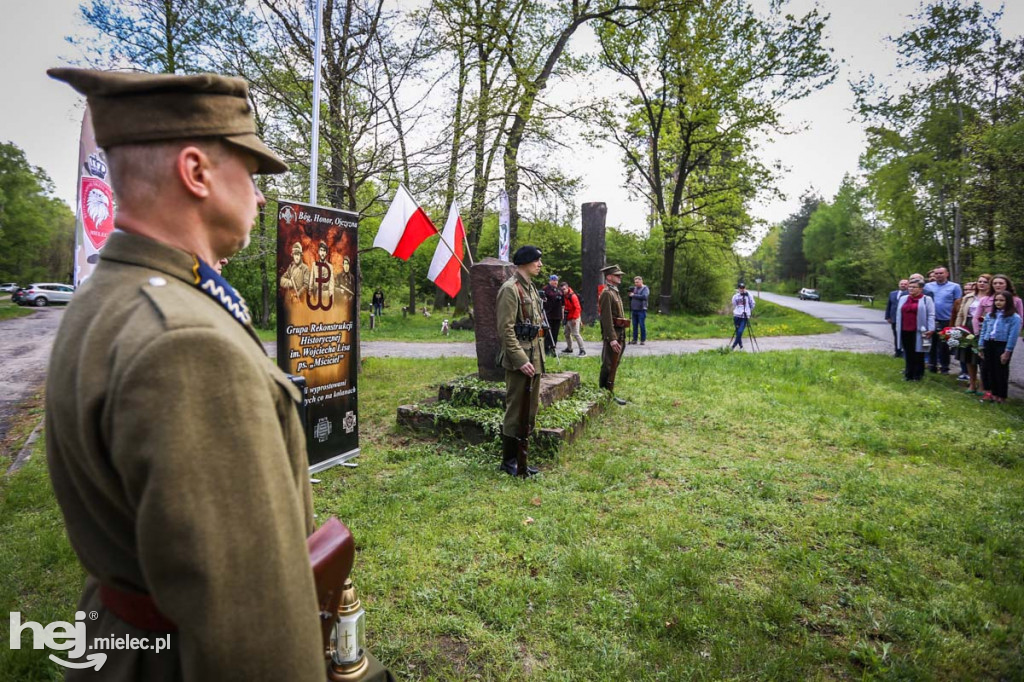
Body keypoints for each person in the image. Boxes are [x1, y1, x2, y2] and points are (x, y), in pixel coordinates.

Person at [44, 68, 327, 679]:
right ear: (196, 172)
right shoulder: (187, 342)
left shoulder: (109, 296)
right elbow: (251, 629)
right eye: (249, 174)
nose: (257, 195)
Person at [495, 245, 546, 476]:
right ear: (525, 262)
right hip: (521, 360)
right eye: (537, 261)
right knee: (515, 410)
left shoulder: (531, 288)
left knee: (530, 410)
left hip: (534, 356)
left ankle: (522, 456)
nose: (540, 265)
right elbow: (505, 330)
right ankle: (509, 461)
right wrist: (520, 359)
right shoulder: (510, 289)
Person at [979, 291, 1020, 403]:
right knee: (988, 369)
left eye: (1002, 300)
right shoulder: (990, 315)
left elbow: (1013, 336)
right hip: (989, 343)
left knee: (1000, 370)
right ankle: (991, 393)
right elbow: (983, 331)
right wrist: (981, 346)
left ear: (1008, 302)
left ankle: (1001, 396)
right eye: (996, 300)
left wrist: (1007, 352)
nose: (998, 302)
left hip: (1002, 344)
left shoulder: (1014, 317)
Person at [599, 264, 629, 405]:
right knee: (608, 365)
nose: (620, 277)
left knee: (614, 364)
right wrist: (611, 338)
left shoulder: (614, 292)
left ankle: (609, 393)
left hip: (620, 334)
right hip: (614, 336)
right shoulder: (607, 293)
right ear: (609, 277)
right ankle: (603, 393)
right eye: (617, 275)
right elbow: (606, 318)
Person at [924, 266, 961, 373]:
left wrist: (955, 320)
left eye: (941, 273)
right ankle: (932, 365)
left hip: (947, 319)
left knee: (944, 345)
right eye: (936, 273)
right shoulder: (928, 286)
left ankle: (944, 367)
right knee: (931, 343)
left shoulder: (955, 287)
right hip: (931, 319)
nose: (938, 275)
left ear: (947, 274)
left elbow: (957, 303)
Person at [896, 279, 935, 381]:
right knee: (908, 353)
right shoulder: (903, 298)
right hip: (905, 329)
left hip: (919, 330)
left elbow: (931, 315)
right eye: (910, 287)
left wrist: (931, 328)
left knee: (919, 353)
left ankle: (918, 375)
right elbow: (899, 313)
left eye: (914, 287)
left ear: (921, 289)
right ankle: (908, 375)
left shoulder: (927, 299)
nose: (911, 289)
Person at [953, 281, 980, 394]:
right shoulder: (968, 298)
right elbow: (960, 313)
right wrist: (957, 328)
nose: (982, 284)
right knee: (968, 356)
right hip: (967, 326)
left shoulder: (992, 297)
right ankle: (972, 383)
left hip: (982, 327)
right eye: (980, 282)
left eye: (985, 282)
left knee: (981, 357)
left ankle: (983, 386)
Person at [560, 280, 586, 356]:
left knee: (576, 334)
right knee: (566, 333)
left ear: (568, 288)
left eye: (564, 289)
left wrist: (575, 318)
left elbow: (578, 308)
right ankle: (569, 348)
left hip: (574, 317)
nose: (563, 291)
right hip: (568, 317)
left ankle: (582, 350)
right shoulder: (564, 296)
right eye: (562, 289)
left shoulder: (573, 296)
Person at [885, 279, 909, 357]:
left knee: (905, 336)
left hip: (905, 319)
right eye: (901, 284)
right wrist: (888, 316)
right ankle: (897, 352)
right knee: (896, 335)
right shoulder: (892, 293)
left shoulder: (910, 294)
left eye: (905, 284)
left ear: (908, 285)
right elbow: (889, 305)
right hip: (894, 318)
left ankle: (905, 352)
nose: (903, 285)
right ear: (899, 285)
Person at [541, 274, 564, 357]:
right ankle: (546, 349)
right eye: (553, 280)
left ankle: (553, 349)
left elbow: (563, 304)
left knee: (555, 333)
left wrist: (562, 313)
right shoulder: (545, 289)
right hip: (548, 314)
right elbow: (541, 302)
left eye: (556, 280)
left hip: (557, 315)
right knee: (548, 333)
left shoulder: (559, 291)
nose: (555, 282)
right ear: (550, 281)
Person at [730, 282, 755, 350]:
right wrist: (738, 310)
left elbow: (752, 304)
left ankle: (733, 346)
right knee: (738, 331)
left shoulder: (748, 295)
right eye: (740, 288)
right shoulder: (735, 296)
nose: (742, 289)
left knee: (740, 331)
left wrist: (748, 311)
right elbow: (734, 304)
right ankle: (741, 346)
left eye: (743, 288)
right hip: (737, 316)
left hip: (744, 316)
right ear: (738, 289)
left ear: (745, 288)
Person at [628, 275, 649, 344]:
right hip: (634, 310)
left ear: (641, 281)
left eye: (637, 282)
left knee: (642, 325)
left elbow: (644, 297)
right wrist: (630, 294)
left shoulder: (645, 288)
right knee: (634, 325)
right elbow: (632, 296)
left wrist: (633, 295)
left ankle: (643, 340)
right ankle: (634, 339)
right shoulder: (635, 288)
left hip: (641, 310)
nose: (636, 284)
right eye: (635, 282)